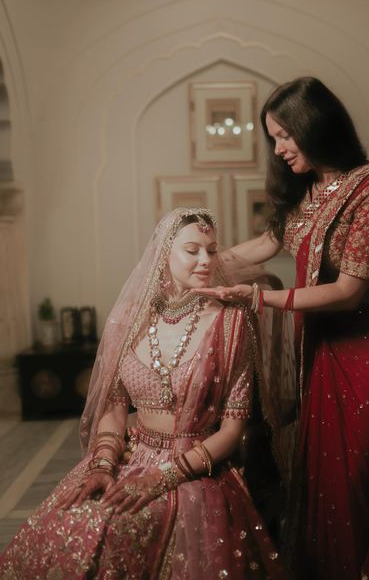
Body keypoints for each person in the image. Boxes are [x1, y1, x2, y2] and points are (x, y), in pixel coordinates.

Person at [197, 77, 369, 580]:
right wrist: (192, 265)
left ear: (315, 125)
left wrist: (262, 296)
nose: (279, 150)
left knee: (354, 477)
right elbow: (261, 247)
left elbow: (348, 290)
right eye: (273, 139)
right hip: (321, 355)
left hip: (365, 359)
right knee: (321, 478)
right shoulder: (314, 194)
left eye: (285, 136)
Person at [0, 208, 286, 579]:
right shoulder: (129, 318)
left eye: (212, 250)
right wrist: (103, 464)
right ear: (164, 253)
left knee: (123, 527)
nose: (205, 260)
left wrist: (163, 478)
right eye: (192, 250)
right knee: (72, 520)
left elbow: (231, 431)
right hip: (130, 454)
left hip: (195, 467)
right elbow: (116, 404)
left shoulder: (231, 322)